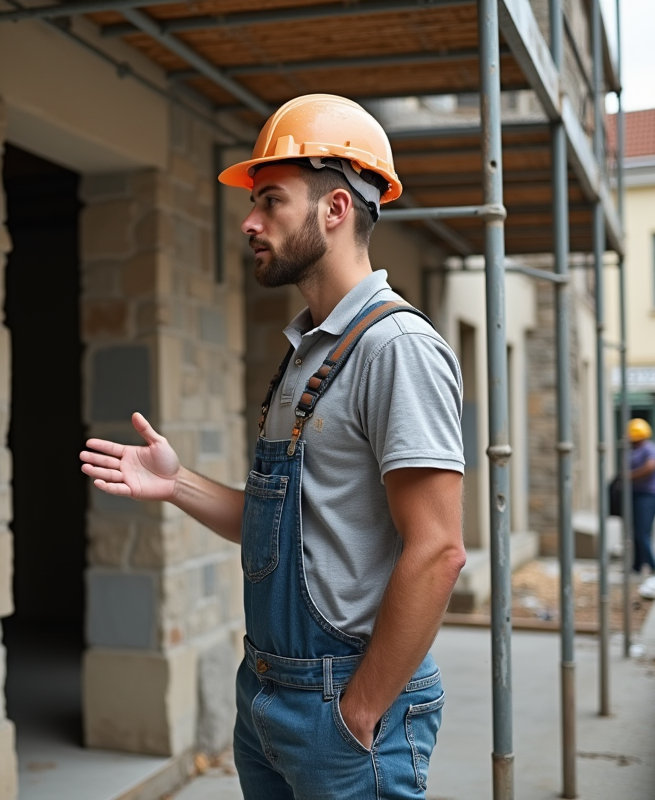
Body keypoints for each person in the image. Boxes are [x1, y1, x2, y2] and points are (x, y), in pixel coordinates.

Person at [79, 94, 466, 800]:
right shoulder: (308, 353)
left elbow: (438, 549)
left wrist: (361, 710)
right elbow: (285, 526)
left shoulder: (396, 349)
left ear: (336, 210)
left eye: (271, 202)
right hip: (267, 695)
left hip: (342, 705)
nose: (250, 223)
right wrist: (176, 483)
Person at [627, 418, 655, 576]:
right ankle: (637, 565)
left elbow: (651, 465)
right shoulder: (635, 449)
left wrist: (631, 476)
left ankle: (652, 564)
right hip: (638, 494)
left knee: (642, 532)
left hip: (648, 494)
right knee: (638, 531)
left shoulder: (649, 448)